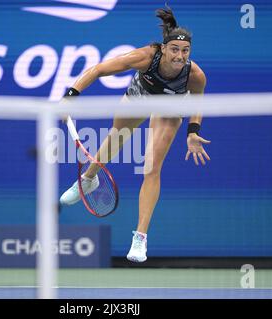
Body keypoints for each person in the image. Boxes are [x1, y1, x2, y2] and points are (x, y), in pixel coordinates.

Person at [59, 5, 211, 262]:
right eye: (175, 49)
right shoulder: (145, 56)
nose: (180, 55)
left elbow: (197, 103)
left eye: (185, 51)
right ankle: (89, 179)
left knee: (151, 167)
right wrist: (70, 95)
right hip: (139, 97)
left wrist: (193, 132)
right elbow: (98, 69)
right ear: (164, 49)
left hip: (170, 108)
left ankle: (140, 238)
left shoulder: (195, 76)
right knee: (116, 137)